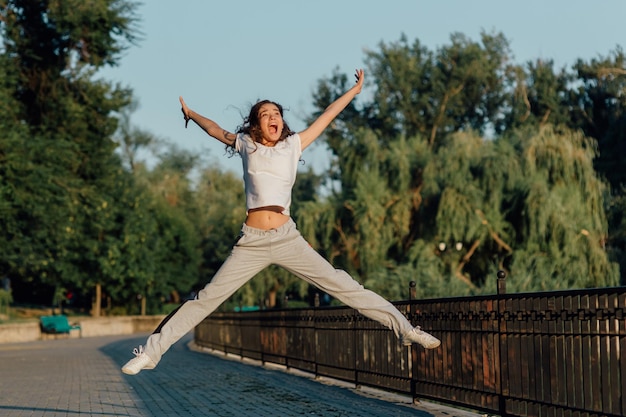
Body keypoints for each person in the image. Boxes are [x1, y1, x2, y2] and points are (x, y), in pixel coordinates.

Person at [122, 69, 440, 375]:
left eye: (277, 113)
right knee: (207, 298)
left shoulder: (293, 145)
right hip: (252, 241)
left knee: (346, 286)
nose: (274, 118)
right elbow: (214, 129)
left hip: (288, 238)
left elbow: (327, 116)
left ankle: (406, 330)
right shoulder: (246, 144)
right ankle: (151, 353)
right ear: (256, 124)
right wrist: (191, 114)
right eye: (266, 114)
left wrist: (354, 92)